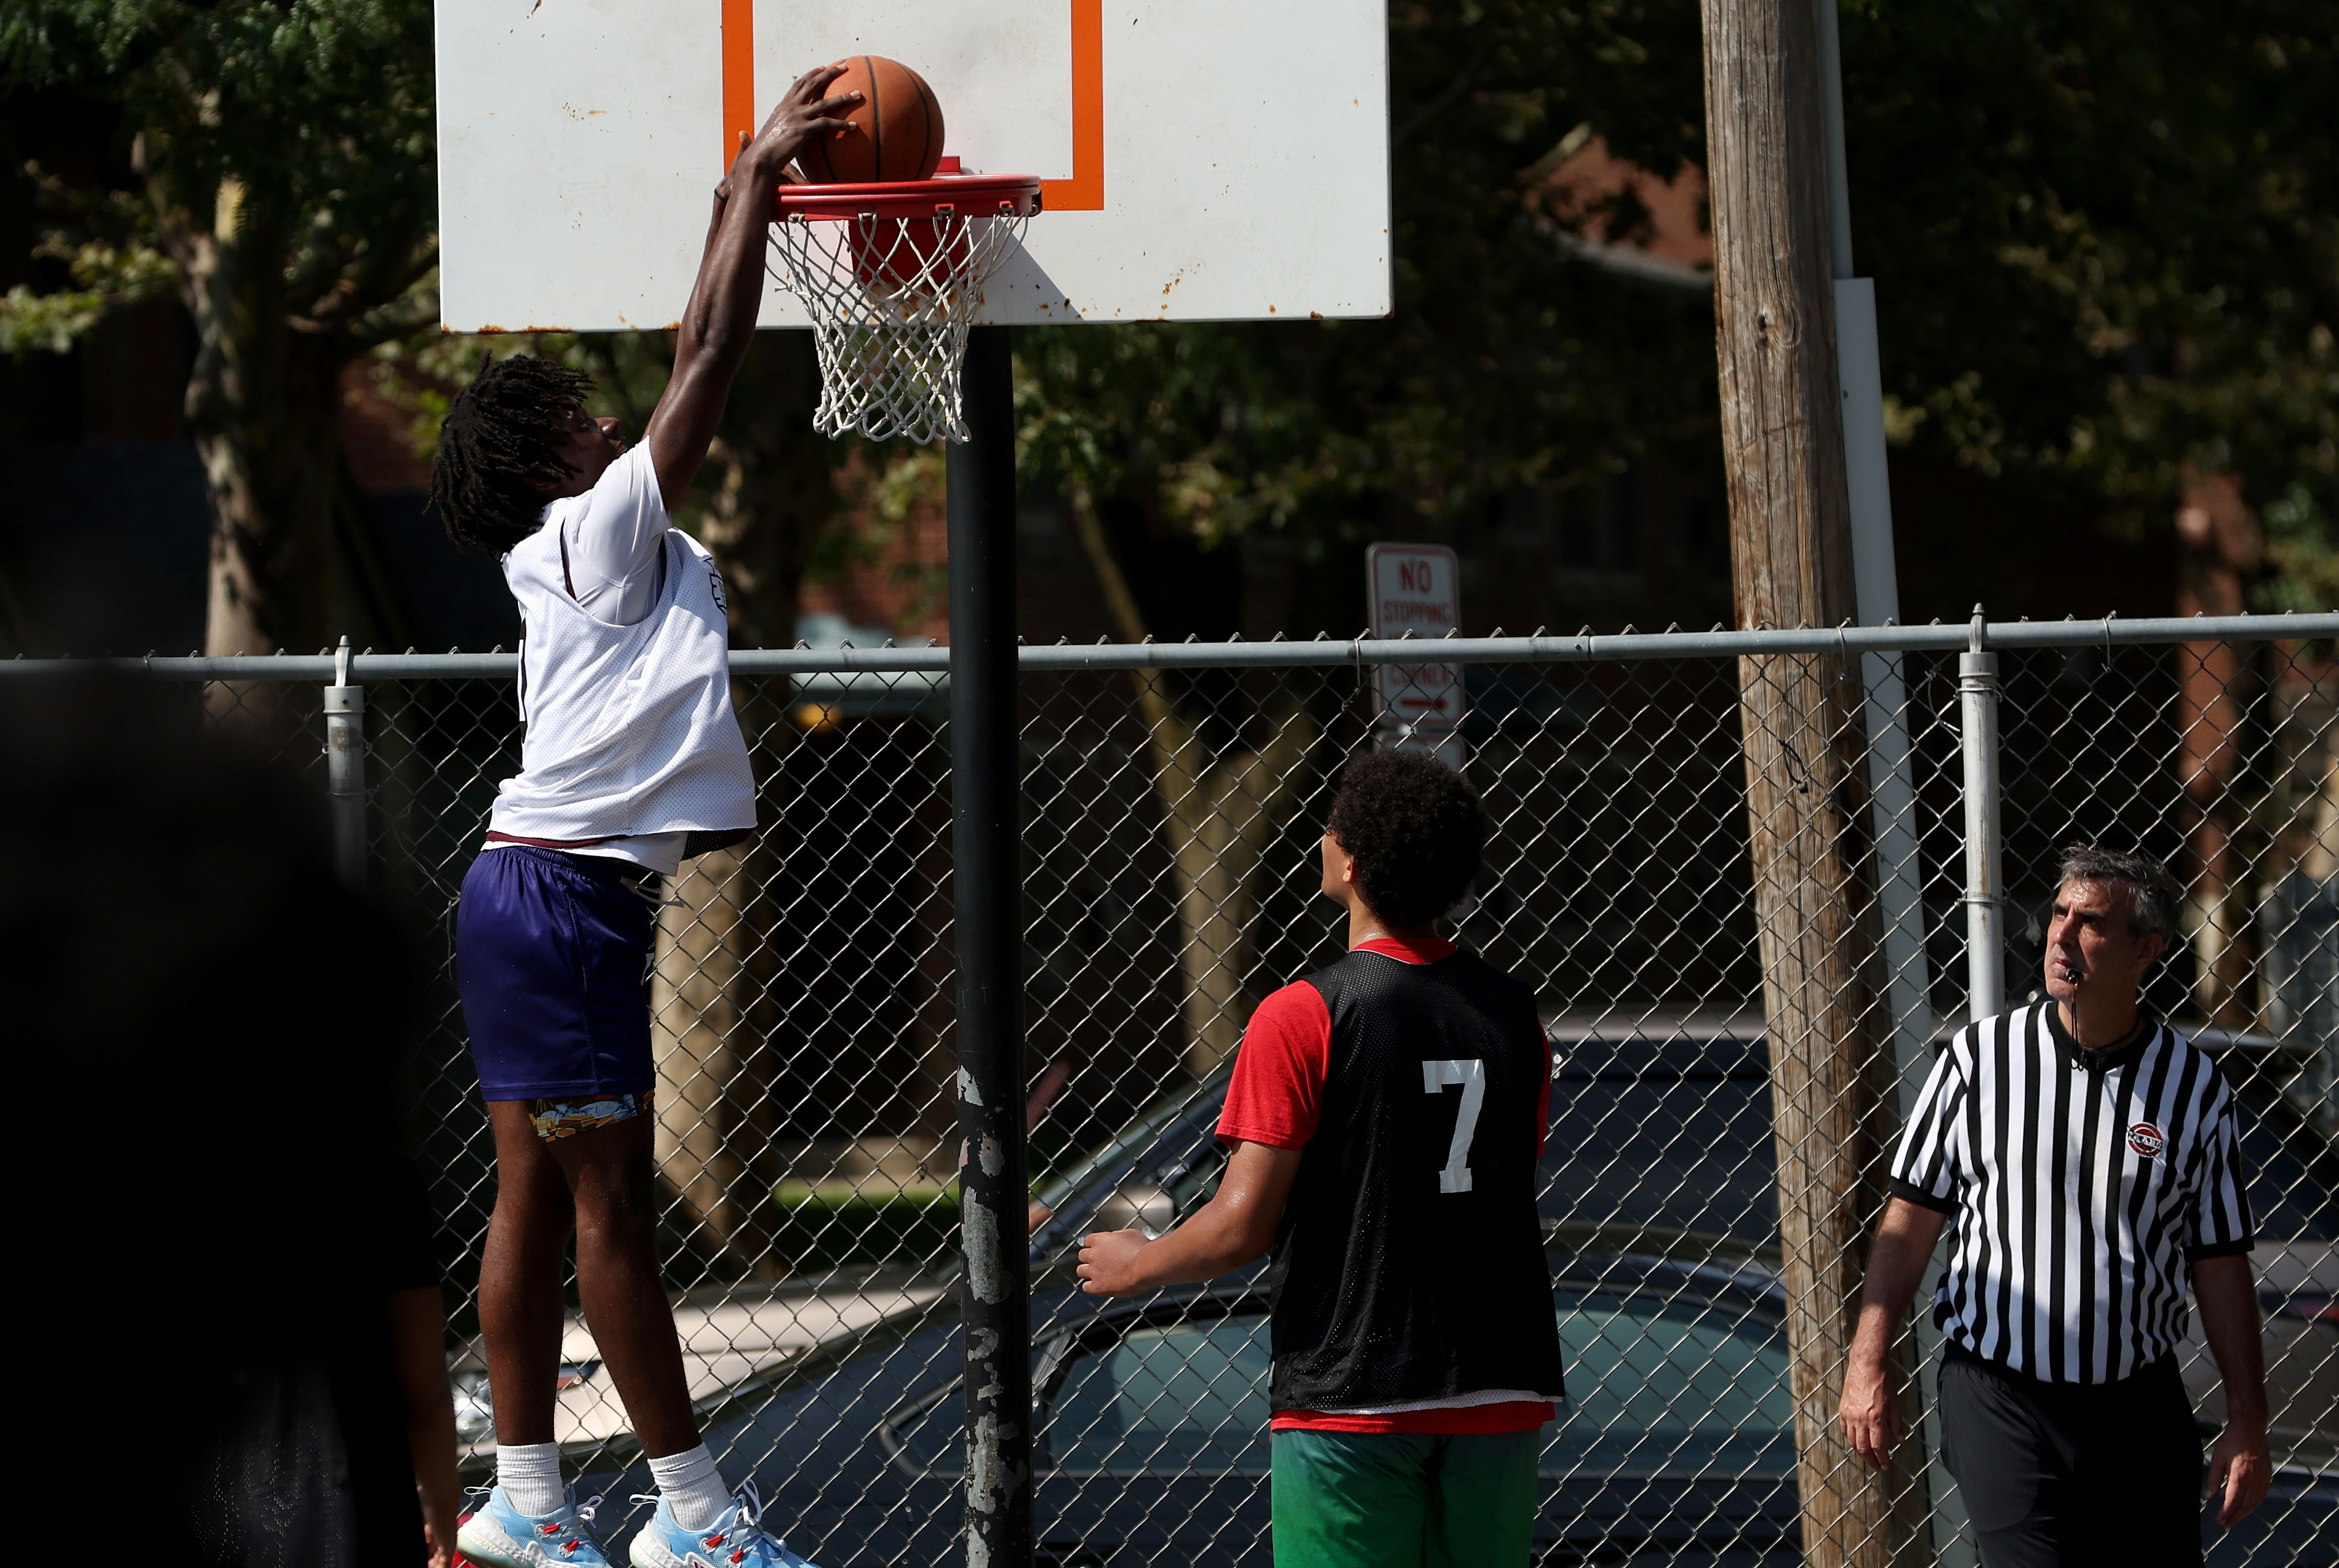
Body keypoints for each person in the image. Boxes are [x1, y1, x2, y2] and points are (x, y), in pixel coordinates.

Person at [425, 63, 867, 1568]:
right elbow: (711, 355)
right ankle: (694, 1519)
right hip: (561, 905)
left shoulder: (580, 540)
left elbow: (686, 341)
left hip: (531, 892)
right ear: (557, 453)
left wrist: (733, 200)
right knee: (613, 1212)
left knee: (535, 1201)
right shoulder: (594, 529)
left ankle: (529, 1497)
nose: (605, 408)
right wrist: (751, 180)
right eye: (577, 410)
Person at [1078, 749, 1565, 1567]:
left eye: (1331, 824)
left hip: (1356, 1386)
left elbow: (1239, 1226)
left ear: (1349, 859)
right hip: (1500, 1377)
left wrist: (1139, 1263)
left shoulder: (1303, 1013)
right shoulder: (1515, 1011)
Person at [1838, 845, 2272, 1566]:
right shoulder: (1978, 1062)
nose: (2061, 935)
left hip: (2137, 1403)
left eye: (2090, 921)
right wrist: (1866, 1361)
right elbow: (1909, 1224)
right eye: (2058, 914)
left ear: (2145, 951)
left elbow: (2219, 1260)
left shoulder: (2194, 1089)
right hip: (2000, 1394)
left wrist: (2247, 1419)